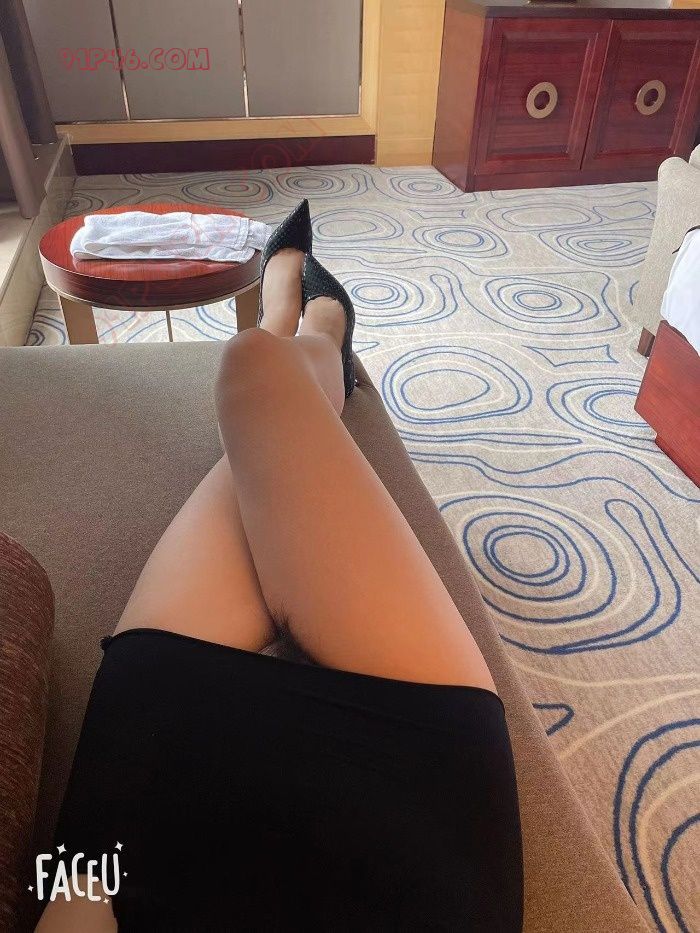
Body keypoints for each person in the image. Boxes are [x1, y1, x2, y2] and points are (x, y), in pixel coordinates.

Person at [37, 200, 523, 932]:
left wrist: (74, 884)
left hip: (137, 824)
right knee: (256, 374)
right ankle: (319, 337)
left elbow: (67, 906)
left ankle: (293, 333)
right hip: (409, 801)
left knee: (253, 381)